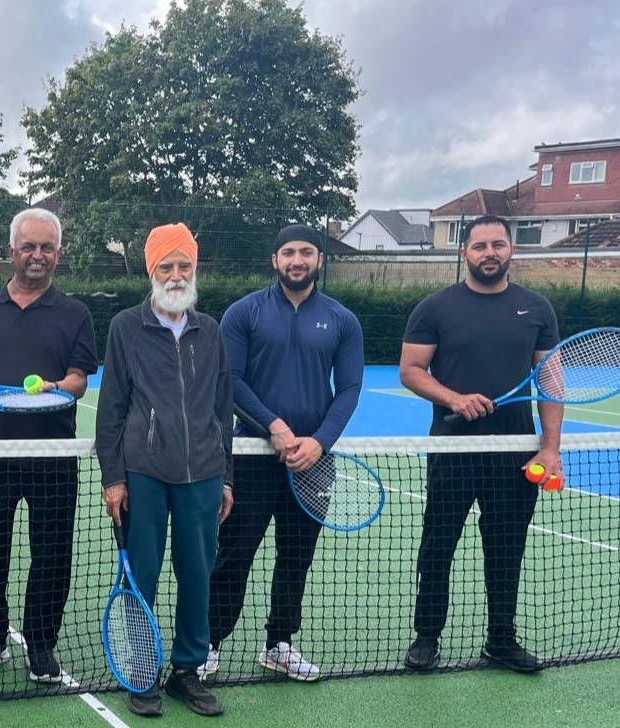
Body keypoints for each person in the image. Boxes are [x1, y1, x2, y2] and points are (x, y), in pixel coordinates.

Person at [400, 214, 562, 674]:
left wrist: (549, 448)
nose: (489, 253)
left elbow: (550, 377)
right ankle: (427, 636)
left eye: (498, 244)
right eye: (479, 246)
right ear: (463, 252)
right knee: (438, 545)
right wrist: (455, 398)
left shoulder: (537, 308)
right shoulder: (435, 308)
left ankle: (501, 640)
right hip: (453, 451)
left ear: (511, 250)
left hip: (515, 452)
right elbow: (410, 370)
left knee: (507, 546)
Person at [209, 225, 364, 682]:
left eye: (307, 252)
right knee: (234, 554)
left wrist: (319, 442)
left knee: (296, 555)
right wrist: (274, 428)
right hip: (252, 457)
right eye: (289, 252)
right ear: (275, 260)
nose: (298, 260)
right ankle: (209, 643)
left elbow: (350, 387)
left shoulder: (342, 320)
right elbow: (230, 381)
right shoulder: (244, 313)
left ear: (319, 259)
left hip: (315, 462)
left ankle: (279, 643)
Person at [0, 208, 97, 683]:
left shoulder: (75, 313)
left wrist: (58, 387)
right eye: (28, 247)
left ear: (58, 253)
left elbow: (79, 379)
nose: (37, 255)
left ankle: (40, 643)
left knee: (52, 552)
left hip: (53, 456)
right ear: (11, 251)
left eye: (46, 247)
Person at [95, 223, 234, 719]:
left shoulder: (211, 330)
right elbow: (110, 408)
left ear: (194, 270)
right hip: (143, 475)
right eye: (165, 267)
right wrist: (113, 477)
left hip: (203, 475)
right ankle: (143, 670)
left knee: (197, 575)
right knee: (142, 577)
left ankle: (187, 672)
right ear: (152, 272)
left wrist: (227, 477)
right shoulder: (124, 328)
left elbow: (223, 408)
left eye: (184, 266)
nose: (176, 276)